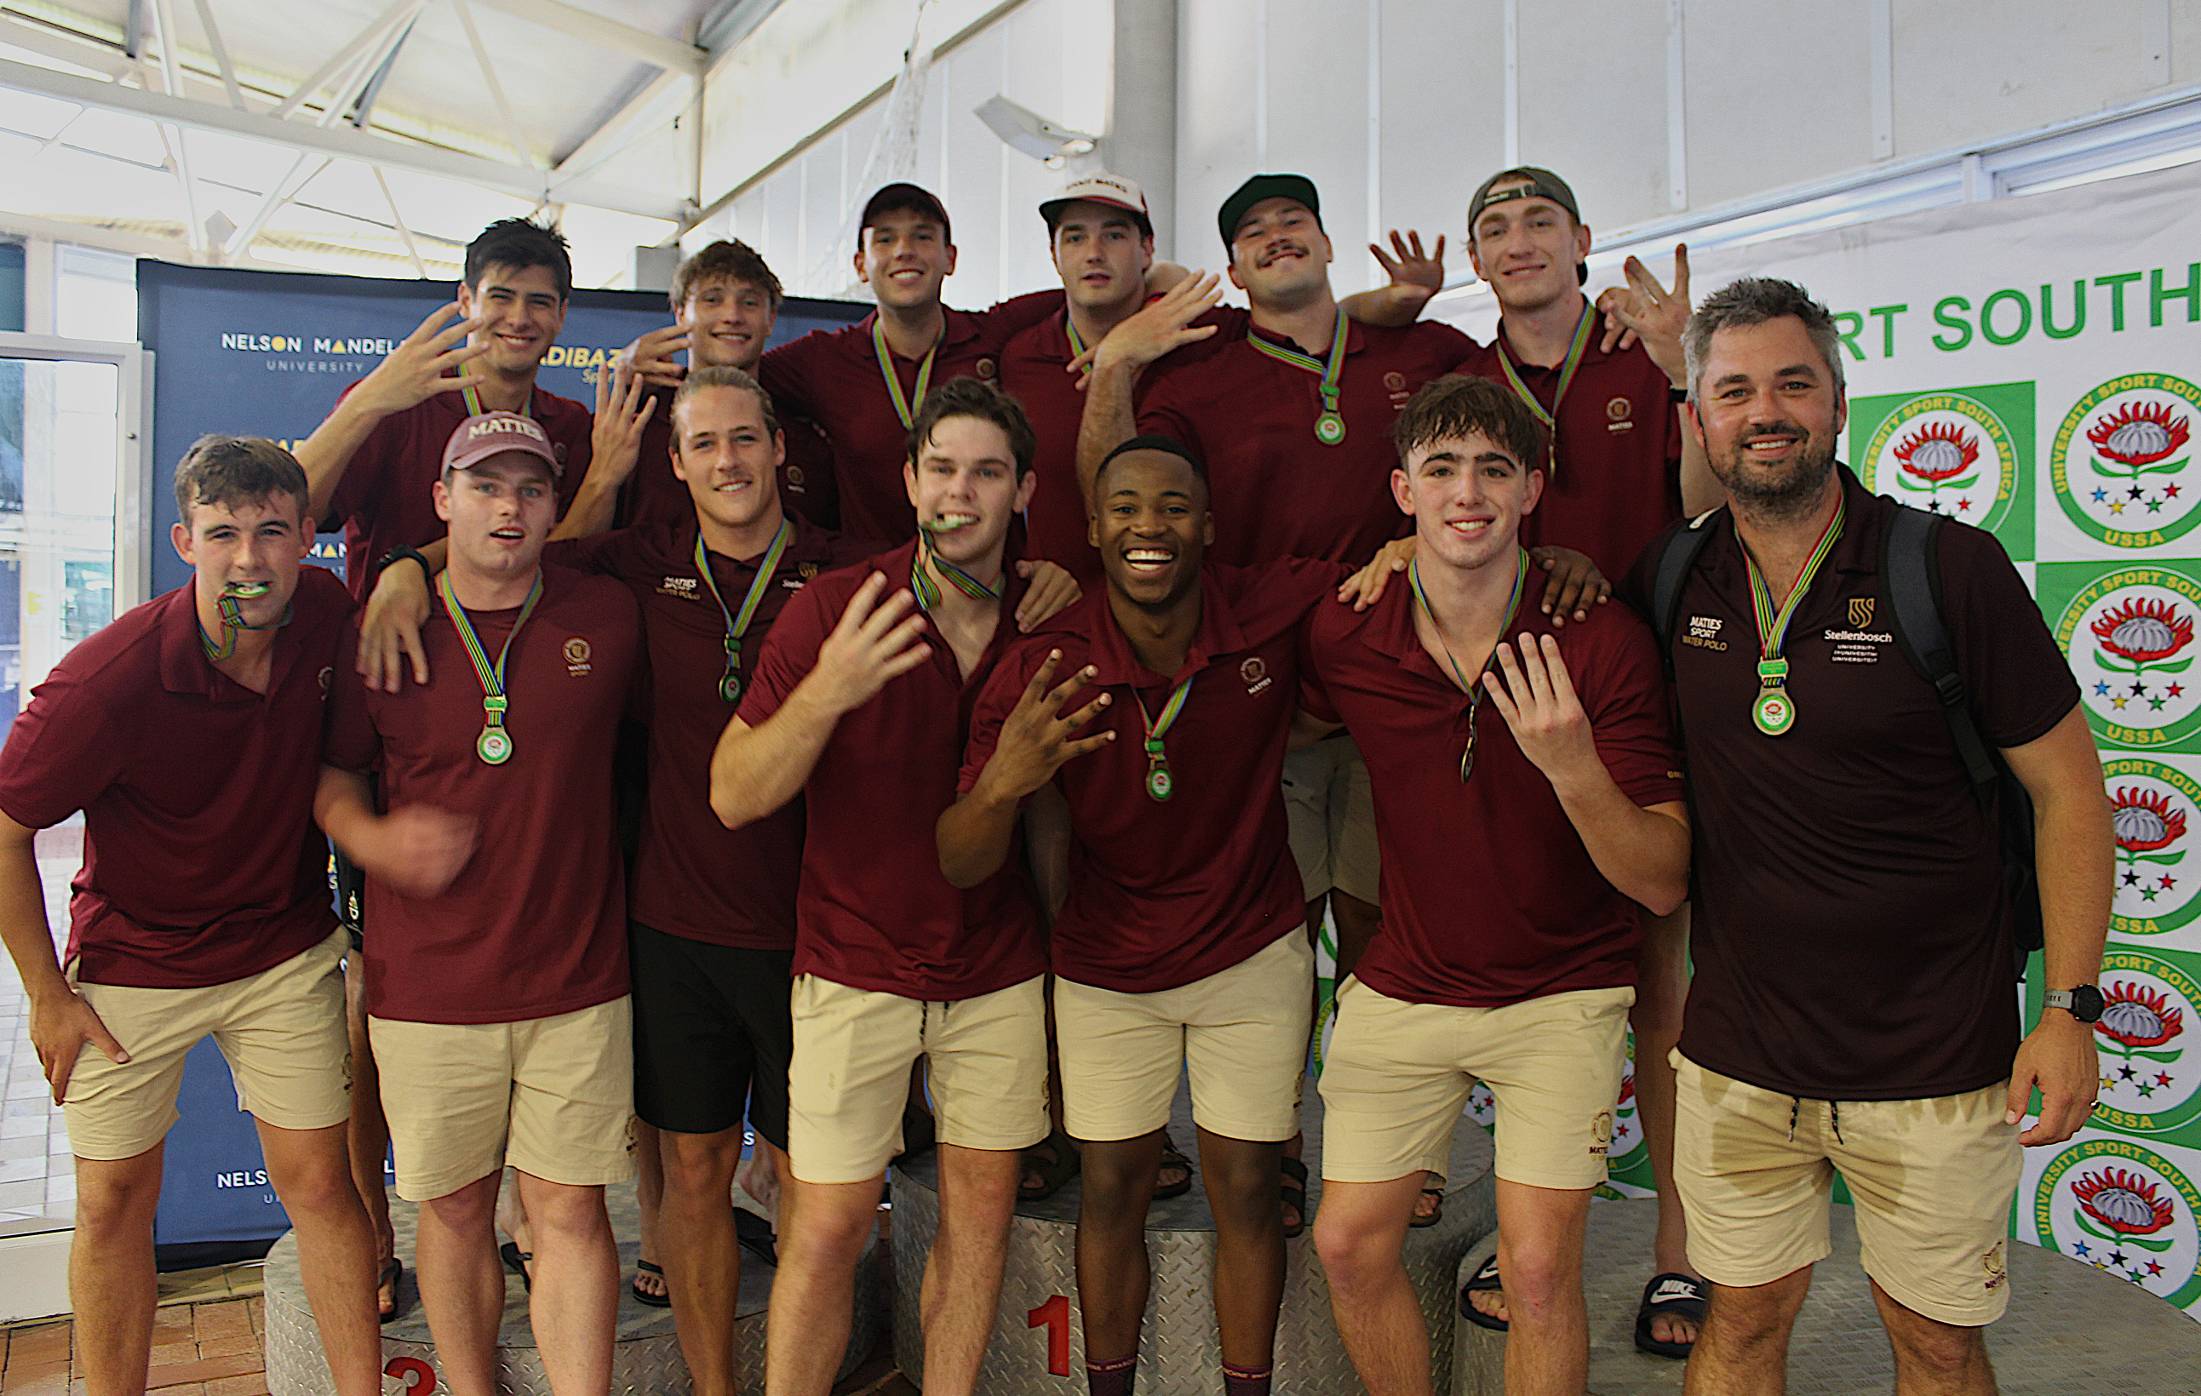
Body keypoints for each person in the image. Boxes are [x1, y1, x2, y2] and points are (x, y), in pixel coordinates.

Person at [1628, 278, 2110, 1396]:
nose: (1765, 411)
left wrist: (2069, 1007)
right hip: (1737, 1056)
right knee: (1737, 1326)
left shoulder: (1943, 567)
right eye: (1732, 389)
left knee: (1935, 1344)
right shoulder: (1667, 579)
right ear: (1696, 418)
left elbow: (2070, 796)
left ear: (1839, 403)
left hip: (1934, 1059)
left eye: (1792, 383)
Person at [1304, 375, 1689, 1396]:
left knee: (1533, 1270)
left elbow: (1658, 881)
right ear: (1401, 491)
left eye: (1491, 468)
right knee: (1344, 1244)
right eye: (1440, 470)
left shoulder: (1598, 637)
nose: (1464, 492)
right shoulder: (1348, 628)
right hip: (1405, 982)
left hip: (1558, 993)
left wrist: (1571, 767)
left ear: (1530, 488)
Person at [942, 436, 1343, 1396]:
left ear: (1206, 524)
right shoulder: (1049, 659)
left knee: (1248, 1191)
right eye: (1125, 507)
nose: (1147, 527)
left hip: (1249, 950)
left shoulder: (1269, 607)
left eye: (1171, 507)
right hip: (1105, 967)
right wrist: (1004, 785)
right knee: (1111, 1189)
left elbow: (1388, 580)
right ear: (1093, 528)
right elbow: (960, 857)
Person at [290, 216, 631, 1319]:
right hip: (393, 732)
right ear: (464, 296)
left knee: (529, 989)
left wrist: (405, 560)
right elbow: (283, 503)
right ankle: (377, 1217)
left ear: (563, 319)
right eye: (500, 295)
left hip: (528, 722)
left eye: (539, 300)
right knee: (373, 995)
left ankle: (533, 1219)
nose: (517, 317)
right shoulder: (409, 403)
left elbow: (553, 546)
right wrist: (371, 405)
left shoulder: (576, 426)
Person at [0, 438, 382, 1395]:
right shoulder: (107, 679)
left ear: (307, 540)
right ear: (184, 541)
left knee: (322, 1186)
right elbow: (5, 831)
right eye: (223, 534)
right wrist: (47, 997)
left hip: (281, 950)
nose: (248, 558)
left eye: (270, 532)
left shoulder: (328, 614)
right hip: (132, 964)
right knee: (114, 1202)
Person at [713, 377, 1051, 1396]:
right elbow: (733, 793)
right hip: (855, 964)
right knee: (827, 1225)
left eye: (986, 471)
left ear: (1022, 488)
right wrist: (828, 689)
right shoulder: (833, 608)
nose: (961, 492)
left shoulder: (1046, 617)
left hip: (995, 968)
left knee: (978, 1220)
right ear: (907, 481)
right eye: (941, 467)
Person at [1450, 163, 1721, 1355]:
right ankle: (1532, 1249)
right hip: (1510, 709)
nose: (1518, 244)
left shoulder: (1636, 353)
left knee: (1663, 997)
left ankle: (1678, 1251)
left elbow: (1706, 508)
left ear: (1582, 240)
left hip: (1650, 704)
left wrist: (1677, 373)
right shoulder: (1462, 380)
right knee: (1530, 994)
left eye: (1538, 222)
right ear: (1475, 259)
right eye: (1495, 228)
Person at [318, 412, 642, 1396]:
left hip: (577, 979)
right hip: (428, 989)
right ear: (441, 501)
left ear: (556, 504)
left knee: (571, 1210)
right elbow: (332, 778)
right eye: (486, 485)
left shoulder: (608, 614)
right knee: (454, 1213)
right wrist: (376, 843)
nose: (509, 506)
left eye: (532, 488)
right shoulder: (385, 623)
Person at [754, 182, 1066, 541]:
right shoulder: (823, 359)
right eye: (885, 240)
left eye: (922, 237)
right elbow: (732, 377)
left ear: (950, 258)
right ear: (861, 265)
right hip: (875, 584)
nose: (904, 251)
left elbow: (1093, 294)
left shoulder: (991, 335)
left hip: (989, 585)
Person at [595, 238, 838, 534]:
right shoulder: (633, 425)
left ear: (770, 319)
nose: (732, 316)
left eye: (749, 302)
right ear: (681, 312)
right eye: (712, 299)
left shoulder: (805, 439)